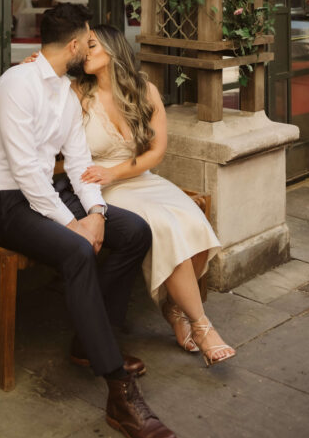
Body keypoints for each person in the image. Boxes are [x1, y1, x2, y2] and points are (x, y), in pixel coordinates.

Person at [0, 3, 178, 438]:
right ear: (71, 45)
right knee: (77, 251)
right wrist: (74, 225)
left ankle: (89, 342)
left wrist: (99, 214)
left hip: (43, 194)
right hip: (3, 203)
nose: (90, 47)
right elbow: (25, 173)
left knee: (134, 231)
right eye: (87, 41)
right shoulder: (16, 85)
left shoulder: (66, 92)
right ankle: (119, 392)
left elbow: (80, 162)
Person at [78, 24, 235, 367]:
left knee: (192, 218)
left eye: (91, 46)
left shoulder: (144, 91)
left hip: (138, 177)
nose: (84, 52)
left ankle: (174, 307)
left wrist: (116, 170)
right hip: (99, 188)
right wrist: (33, 64)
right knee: (165, 224)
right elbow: (40, 86)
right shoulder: (78, 92)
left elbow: (156, 151)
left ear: (112, 49)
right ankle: (201, 324)